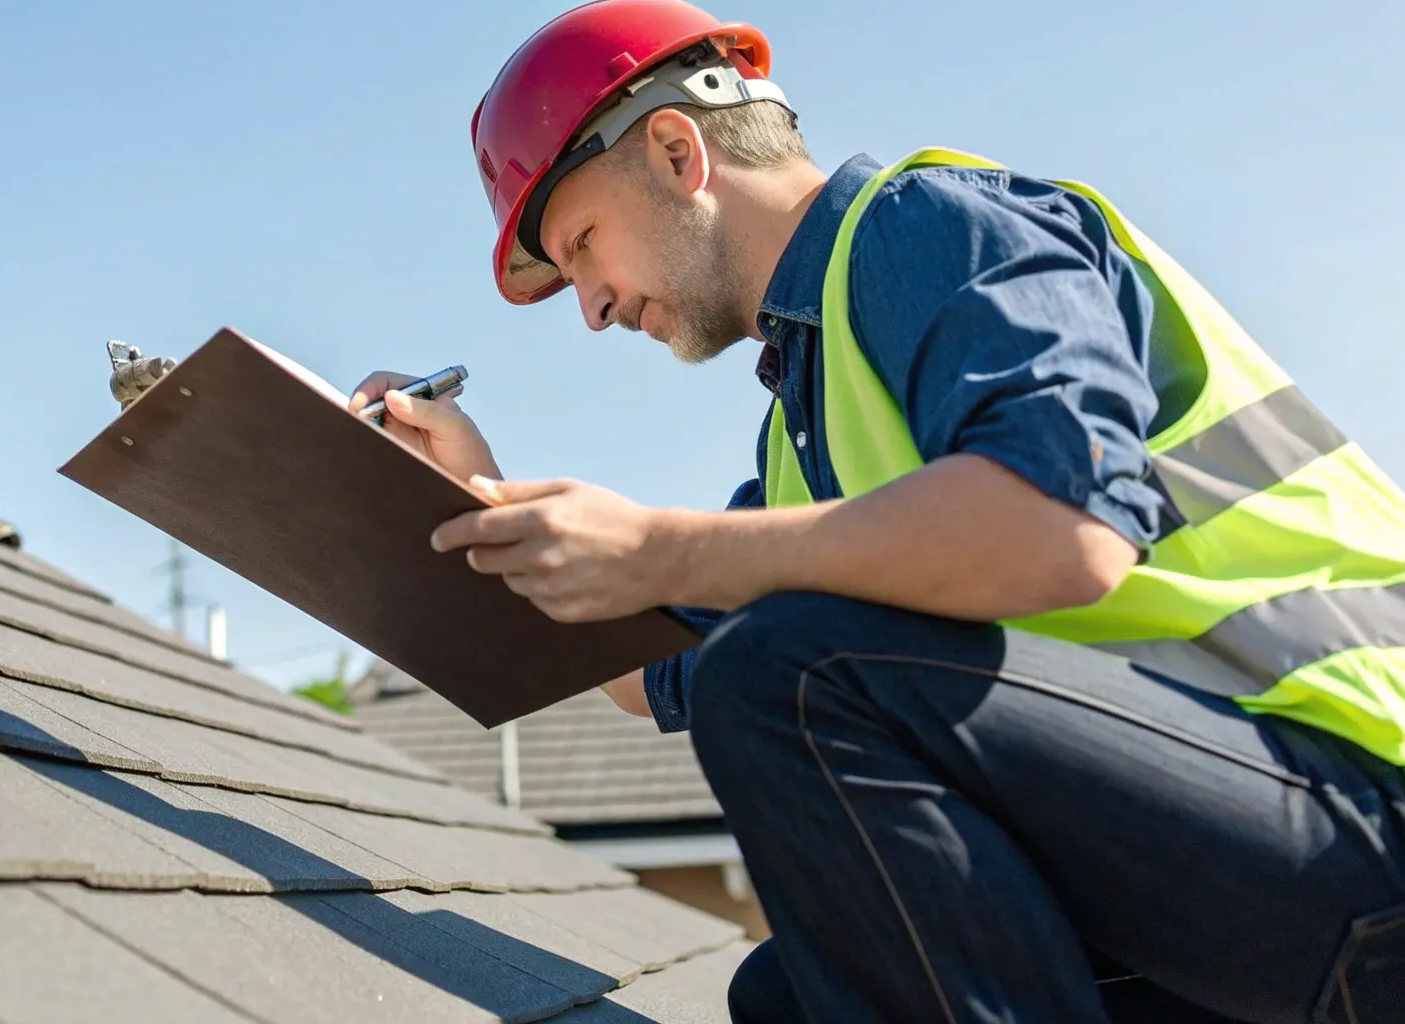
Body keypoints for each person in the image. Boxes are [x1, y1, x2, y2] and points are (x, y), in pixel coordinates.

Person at [349, 2, 1405, 1021]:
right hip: (1248, 865)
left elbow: (1062, 526)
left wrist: (665, 547)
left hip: (1354, 805)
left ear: (677, 153)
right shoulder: (808, 429)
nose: (590, 307)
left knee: (783, 670)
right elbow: (648, 665)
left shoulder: (924, 228)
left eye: (580, 244)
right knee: (798, 993)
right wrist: (472, 497)